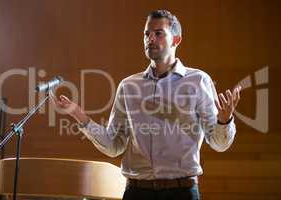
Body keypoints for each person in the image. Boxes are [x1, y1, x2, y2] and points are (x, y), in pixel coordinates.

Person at [51, 10, 241, 200]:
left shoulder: (198, 81)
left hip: (181, 192)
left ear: (176, 40)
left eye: (158, 33)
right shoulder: (128, 86)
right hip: (136, 192)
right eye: (146, 34)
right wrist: (78, 114)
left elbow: (219, 144)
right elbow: (114, 146)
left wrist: (224, 121)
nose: (150, 38)